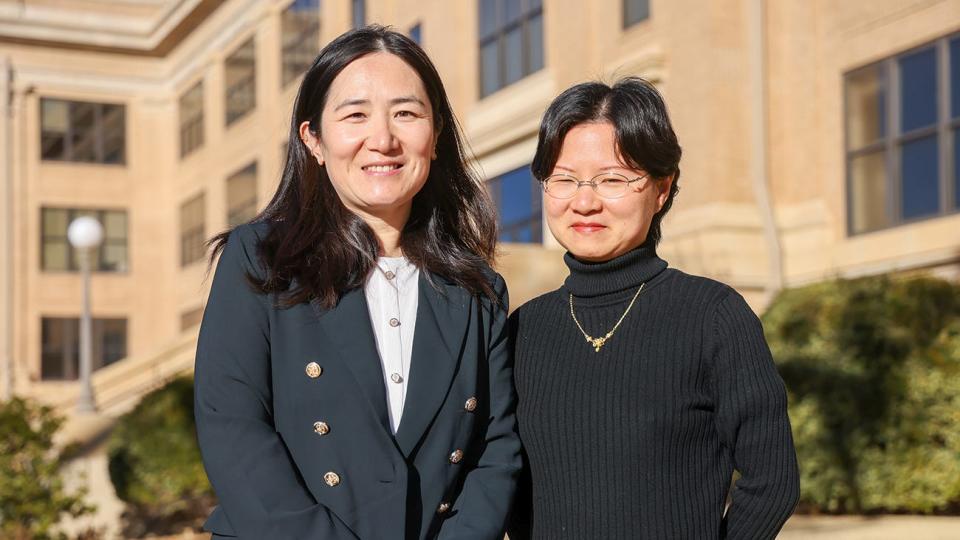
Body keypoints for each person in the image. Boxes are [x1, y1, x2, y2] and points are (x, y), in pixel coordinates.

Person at [194, 25, 520, 540]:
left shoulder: (477, 290)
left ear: (435, 138)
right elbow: (232, 428)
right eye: (355, 115)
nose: (384, 139)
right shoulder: (261, 261)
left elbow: (495, 452)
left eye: (407, 113)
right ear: (314, 140)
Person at [507, 78, 800, 539]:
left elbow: (772, 480)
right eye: (564, 180)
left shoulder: (713, 316)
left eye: (612, 179)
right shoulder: (524, 328)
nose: (585, 201)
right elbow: (505, 481)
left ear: (662, 189)